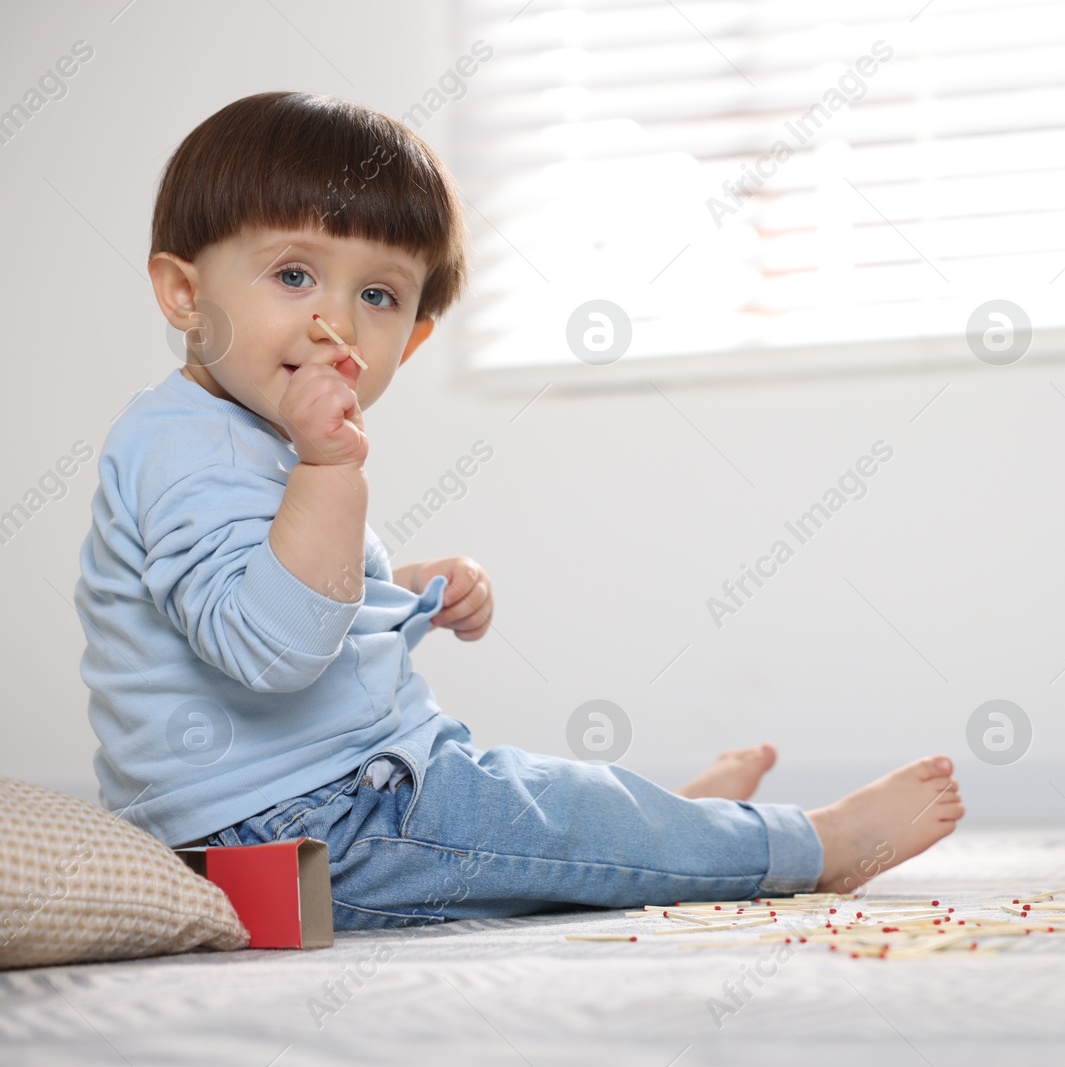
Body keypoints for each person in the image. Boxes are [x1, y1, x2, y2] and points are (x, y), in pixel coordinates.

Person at [74, 91, 963, 929]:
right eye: (295, 273)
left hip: (309, 808)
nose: (335, 322)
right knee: (550, 814)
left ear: (412, 338)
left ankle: (671, 834)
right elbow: (273, 650)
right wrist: (331, 466)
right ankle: (813, 846)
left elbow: (290, 588)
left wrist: (409, 587)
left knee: (544, 811)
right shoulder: (187, 449)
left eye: (377, 295)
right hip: (294, 830)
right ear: (187, 295)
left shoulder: (234, 434)